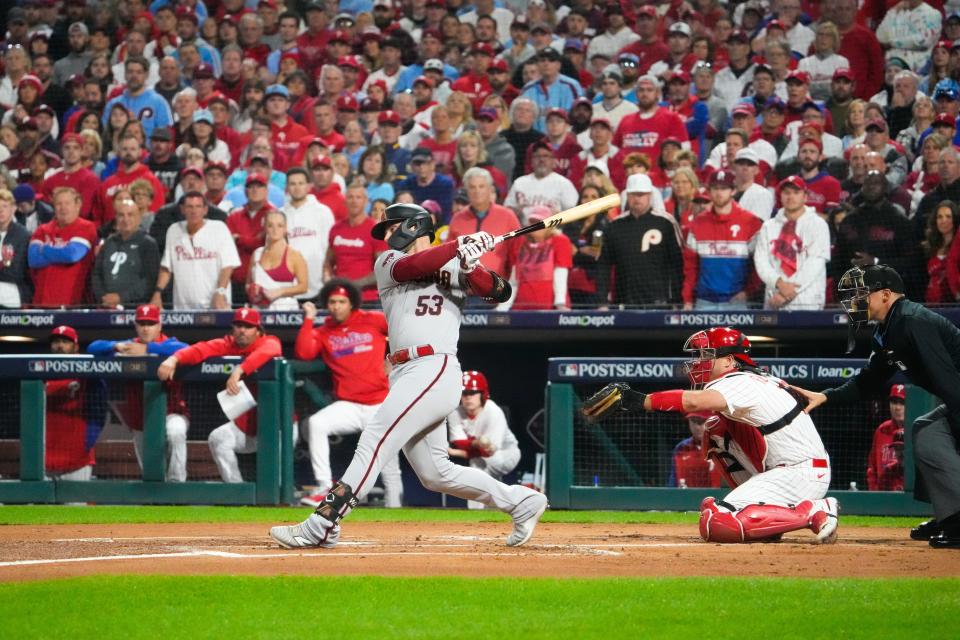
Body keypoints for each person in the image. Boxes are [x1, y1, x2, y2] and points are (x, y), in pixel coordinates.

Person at [269, 204, 547, 550]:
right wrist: (459, 246)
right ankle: (521, 502)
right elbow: (416, 266)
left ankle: (323, 523)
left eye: (390, 228)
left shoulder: (454, 262)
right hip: (406, 372)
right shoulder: (387, 262)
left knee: (375, 437)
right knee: (435, 473)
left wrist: (472, 264)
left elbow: (499, 292)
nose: (386, 235)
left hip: (434, 366)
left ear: (413, 226)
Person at [582, 326, 838, 544]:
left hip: (799, 473)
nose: (698, 361)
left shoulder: (738, 380)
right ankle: (766, 514)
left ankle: (814, 511)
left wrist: (640, 401)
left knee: (717, 522)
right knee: (715, 428)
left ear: (729, 361)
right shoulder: (755, 379)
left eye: (707, 355)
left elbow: (694, 403)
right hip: (792, 468)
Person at [790, 264, 960, 548]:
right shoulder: (890, 329)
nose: (856, 302)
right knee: (923, 428)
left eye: (862, 294)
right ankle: (949, 515)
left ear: (885, 294)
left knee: (932, 435)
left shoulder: (912, 321)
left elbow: (950, 383)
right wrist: (827, 396)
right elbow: (867, 383)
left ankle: (957, 519)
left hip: (957, 393)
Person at [295, 279, 402, 509]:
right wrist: (309, 319)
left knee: (389, 465)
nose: (336, 306)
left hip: (380, 404)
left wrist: (394, 358)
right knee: (316, 424)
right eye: (332, 302)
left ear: (351, 302)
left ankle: (396, 512)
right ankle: (325, 486)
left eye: (342, 301)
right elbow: (304, 353)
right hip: (349, 405)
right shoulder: (324, 330)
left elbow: (403, 330)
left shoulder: (371, 320)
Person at [158, 308, 283, 483]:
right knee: (219, 438)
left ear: (258, 330)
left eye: (248, 326)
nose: (242, 330)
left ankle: (280, 500)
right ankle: (237, 492)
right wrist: (174, 359)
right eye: (238, 325)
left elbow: (271, 349)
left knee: (275, 481)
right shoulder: (227, 345)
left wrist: (239, 370)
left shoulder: (268, 342)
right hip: (249, 423)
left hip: (278, 425)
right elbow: (199, 349)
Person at [87, 304, 189, 482]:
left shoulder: (168, 344)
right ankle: (157, 503)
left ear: (159, 326)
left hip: (172, 412)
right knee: (150, 472)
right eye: (142, 323)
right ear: (136, 325)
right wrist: (116, 345)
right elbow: (93, 348)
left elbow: (186, 348)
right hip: (140, 418)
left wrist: (149, 349)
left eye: (151, 323)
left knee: (176, 432)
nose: (146, 328)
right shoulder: (129, 346)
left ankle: (177, 485)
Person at [596, 174, 683, 308]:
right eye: (633, 194)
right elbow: (604, 265)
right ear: (627, 195)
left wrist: (677, 300)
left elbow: (678, 264)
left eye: (641, 194)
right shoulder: (614, 226)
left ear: (650, 195)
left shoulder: (666, 223)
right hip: (624, 301)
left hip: (660, 301)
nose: (637, 198)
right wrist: (602, 302)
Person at [682, 170, 763, 310]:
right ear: (709, 191)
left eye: (724, 188)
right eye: (715, 188)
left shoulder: (751, 222)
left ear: (733, 191)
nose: (719, 193)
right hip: (704, 301)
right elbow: (690, 266)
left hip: (736, 301)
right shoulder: (697, 223)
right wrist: (688, 299)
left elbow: (759, 263)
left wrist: (748, 292)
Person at [151, 191, 241, 310]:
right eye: (190, 207)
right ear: (182, 209)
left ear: (205, 210)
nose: (194, 211)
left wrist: (220, 291)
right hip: (183, 307)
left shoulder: (219, 228)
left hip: (216, 304)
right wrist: (157, 293)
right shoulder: (173, 230)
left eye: (198, 206)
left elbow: (228, 265)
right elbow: (166, 267)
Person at [448, 370, 523, 509]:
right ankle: (499, 507)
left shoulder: (493, 411)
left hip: (507, 453)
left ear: (483, 394)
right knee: (479, 467)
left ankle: (481, 510)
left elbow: (488, 452)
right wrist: (474, 445)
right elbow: (459, 442)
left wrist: (456, 452)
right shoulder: (455, 413)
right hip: (482, 455)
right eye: (465, 393)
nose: (468, 397)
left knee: (478, 465)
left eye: (472, 393)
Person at [754, 177, 831, 310]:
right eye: (787, 193)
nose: (791, 197)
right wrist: (778, 283)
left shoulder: (818, 224)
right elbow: (761, 261)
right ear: (780, 196)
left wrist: (786, 293)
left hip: (808, 301)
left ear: (805, 196)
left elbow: (815, 263)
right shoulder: (768, 226)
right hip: (774, 300)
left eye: (796, 192)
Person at [45, 325, 107, 481]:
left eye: (65, 342)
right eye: (56, 341)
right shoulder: (39, 369)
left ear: (76, 346)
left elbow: (100, 409)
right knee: (40, 505)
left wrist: (88, 442)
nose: (60, 346)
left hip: (77, 456)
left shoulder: (87, 371)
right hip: (45, 455)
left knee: (76, 505)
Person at [28, 186, 98, 307]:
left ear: (78, 205)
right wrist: (60, 252)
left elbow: (72, 255)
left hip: (73, 301)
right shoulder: (43, 229)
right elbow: (33, 259)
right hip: (42, 301)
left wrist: (45, 249)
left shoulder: (86, 227)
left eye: (67, 203)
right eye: (59, 204)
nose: (63, 208)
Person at [496, 205, 573, 311]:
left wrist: (560, 304)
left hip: (550, 308)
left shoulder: (560, 241)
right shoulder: (520, 241)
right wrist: (502, 307)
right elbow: (514, 279)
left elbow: (560, 274)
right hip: (521, 307)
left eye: (540, 222)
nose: (536, 225)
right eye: (532, 221)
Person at [447, 167, 521, 276]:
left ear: (490, 189)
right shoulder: (457, 218)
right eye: (472, 187)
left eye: (481, 186)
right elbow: (449, 254)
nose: (477, 191)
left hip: (497, 287)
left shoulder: (507, 216)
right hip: (463, 288)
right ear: (466, 190)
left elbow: (517, 254)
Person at [91, 193, 159, 308]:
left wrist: (121, 297)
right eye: (121, 215)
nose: (125, 219)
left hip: (135, 309)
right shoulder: (109, 242)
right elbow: (97, 274)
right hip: (106, 307)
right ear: (116, 218)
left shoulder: (147, 243)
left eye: (130, 215)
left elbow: (149, 280)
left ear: (138, 218)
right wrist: (103, 297)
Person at [325, 182, 388, 304]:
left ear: (366, 202)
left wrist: (353, 285)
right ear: (345, 201)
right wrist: (327, 279)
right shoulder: (336, 229)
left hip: (367, 299)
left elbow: (383, 269)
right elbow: (328, 261)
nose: (354, 201)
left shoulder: (376, 230)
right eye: (350, 197)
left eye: (358, 197)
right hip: (340, 298)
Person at [282, 167, 335, 301]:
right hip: (289, 286)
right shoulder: (280, 214)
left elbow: (330, 246)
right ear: (287, 187)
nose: (297, 187)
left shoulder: (323, 212)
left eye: (301, 183)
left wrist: (328, 272)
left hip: (318, 281)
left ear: (308, 186)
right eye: (292, 184)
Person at [504, 141, 579, 223]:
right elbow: (507, 210)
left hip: (553, 232)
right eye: (537, 156)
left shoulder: (564, 183)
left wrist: (559, 215)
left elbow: (574, 213)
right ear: (531, 161)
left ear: (553, 161)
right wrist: (515, 212)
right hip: (524, 231)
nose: (541, 159)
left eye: (546, 156)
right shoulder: (519, 183)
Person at [246, 210, 308, 310]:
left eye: (279, 225)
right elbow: (248, 284)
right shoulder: (257, 254)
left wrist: (279, 292)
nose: (275, 230)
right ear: (265, 227)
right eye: (270, 225)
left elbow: (303, 286)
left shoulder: (294, 255)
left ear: (285, 228)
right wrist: (253, 291)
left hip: (285, 309)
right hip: (259, 309)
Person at [866, 384, 907, 492]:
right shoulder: (881, 430)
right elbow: (872, 466)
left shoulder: (917, 430)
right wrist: (874, 493)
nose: (897, 407)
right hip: (883, 492)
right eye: (894, 402)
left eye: (902, 403)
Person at [668, 411, 722, 488]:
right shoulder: (681, 447)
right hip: (687, 498)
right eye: (693, 421)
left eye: (701, 421)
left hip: (715, 498)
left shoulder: (721, 447)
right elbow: (673, 481)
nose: (697, 427)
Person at [0, 187, 33, 308]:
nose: (0, 210)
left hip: (13, 292)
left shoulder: (22, 235)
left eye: (4, 206)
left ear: (13, 209)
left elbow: (15, 273)